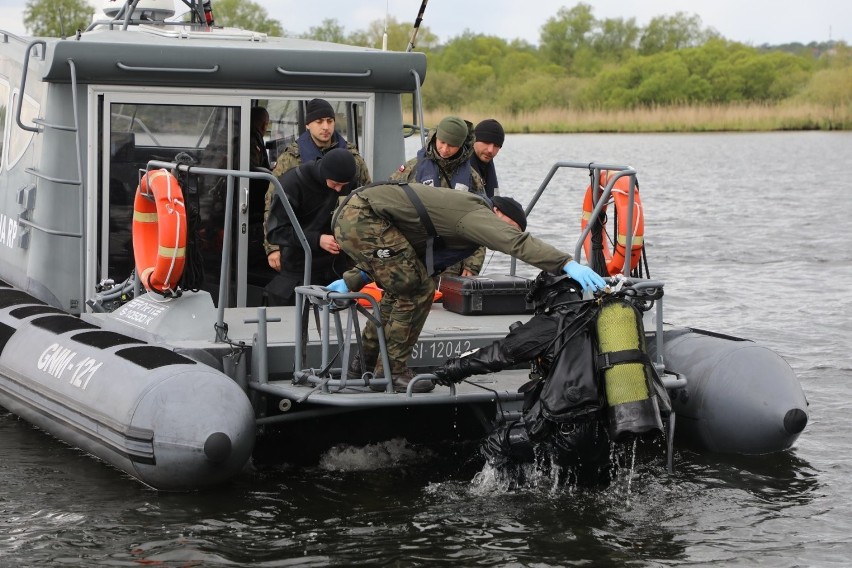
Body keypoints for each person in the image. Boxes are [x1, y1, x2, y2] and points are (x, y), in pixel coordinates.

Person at [327, 183, 606, 393]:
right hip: (362, 216)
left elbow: (403, 255)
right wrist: (566, 263)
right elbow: (517, 244)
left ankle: (363, 365)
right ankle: (392, 373)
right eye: (508, 226)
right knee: (419, 289)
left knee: (402, 287)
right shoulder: (475, 213)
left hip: (353, 215)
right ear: (497, 212)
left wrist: (353, 280)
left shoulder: (462, 225)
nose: (504, 233)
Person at [432, 271, 671, 486]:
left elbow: (499, 355)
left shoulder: (551, 323)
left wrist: (450, 370)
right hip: (606, 431)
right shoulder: (600, 316)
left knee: (497, 443)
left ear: (545, 297)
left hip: (567, 431)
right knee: (591, 487)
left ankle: (505, 496)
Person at [263, 98, 371, 273]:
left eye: (330, 121)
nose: (325, 127)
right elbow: (272, 203)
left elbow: (367, 195)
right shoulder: (291, 158)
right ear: (307, 125)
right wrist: (273, 248)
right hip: (302, 240)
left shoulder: (352, 157)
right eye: (319, 122)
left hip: (341, 243)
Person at [390, 115, 487, 278]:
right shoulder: (412, 168)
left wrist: (473, 264)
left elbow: (483, 224)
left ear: (462, 144)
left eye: (452, 145)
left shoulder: (472, 178)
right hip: (413, 256)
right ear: (435, 137)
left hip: (452, 261)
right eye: (442, 142)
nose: (444, 149)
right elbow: (388, 204)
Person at [263, 148, 357, 305]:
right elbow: (275, 232)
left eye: (344, 185)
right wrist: (316, 239)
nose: (339, 189)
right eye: (335, 184)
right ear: (325, 174)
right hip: (299, 269)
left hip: (336, 268)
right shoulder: (292, 184)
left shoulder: (347, 181)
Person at [471, 119, 504, 199]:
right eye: (486, 142)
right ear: (474, 140)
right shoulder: (459, 164)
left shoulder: (487, 164)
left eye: (496, 145)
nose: (490, 150)